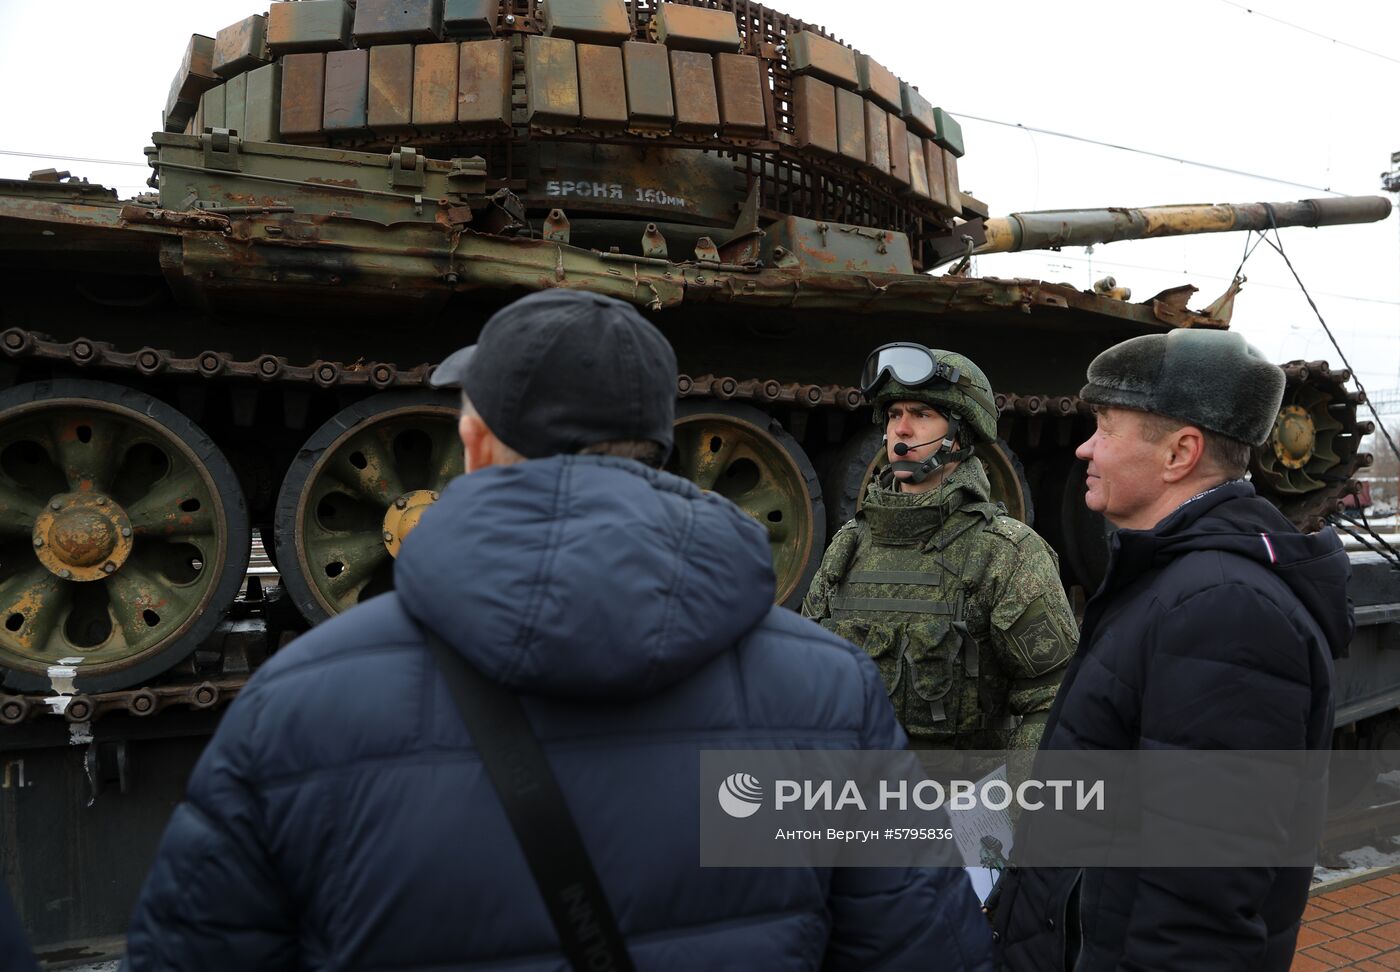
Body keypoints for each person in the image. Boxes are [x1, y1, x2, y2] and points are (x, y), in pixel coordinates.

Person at [122, 291, 992, 971]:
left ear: (474, 439)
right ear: (660, 442)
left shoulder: (297, 701)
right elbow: (921, 947)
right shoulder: (830, 689)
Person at [992, 328, 1350, 972]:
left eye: (1105, 426)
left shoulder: (1222, 609)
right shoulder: (1176, 583)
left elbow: (1200, 905)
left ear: (1179, 453)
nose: (1083, 448)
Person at [802, 344, 1076, 753]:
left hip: (952, 803)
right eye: (895, 415)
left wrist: (1013, 805)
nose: (902, 430)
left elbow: (1054, 697)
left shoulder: (1005, 553)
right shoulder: (850, 544)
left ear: (960, 434)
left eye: (922, 415)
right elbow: (802, 675)